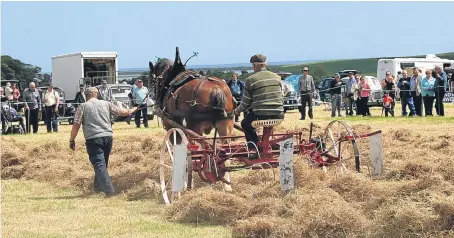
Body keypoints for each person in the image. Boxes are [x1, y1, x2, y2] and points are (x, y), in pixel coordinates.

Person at [69, 87, 138, 196]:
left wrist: (72, 140)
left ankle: (109, 190)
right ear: (97, 94)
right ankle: (97, 188)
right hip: (108, 137)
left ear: (86, 95)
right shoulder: (106, 103)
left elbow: (76, 124)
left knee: (99, 164)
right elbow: (122, 112)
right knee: (102, 164)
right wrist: (134, 109)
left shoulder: (82, 107)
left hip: (93, 138)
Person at [234, 54, 284, 151]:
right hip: (279, 115)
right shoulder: (277, 77)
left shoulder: (251, 79)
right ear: (265, 64)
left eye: (253, 65)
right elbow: (281, 95)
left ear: (255, 65)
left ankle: (254, 148)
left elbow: (245, 102)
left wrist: (237, 111)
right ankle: (264, 144)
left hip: (260, 115)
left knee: (245, 124)